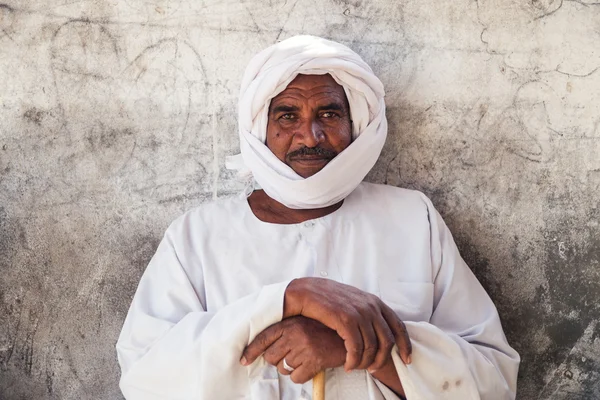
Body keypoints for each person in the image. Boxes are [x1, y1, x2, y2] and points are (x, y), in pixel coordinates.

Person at [116, 35, 520, 399]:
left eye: (328, 114)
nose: (310, 136)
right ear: (261, 127)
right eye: (288, 116)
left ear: (354, 124)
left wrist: (356, 348)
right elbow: (146, 378)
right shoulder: (197, 235)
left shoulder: (413, 219)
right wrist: (289, 298)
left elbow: (493, 378)